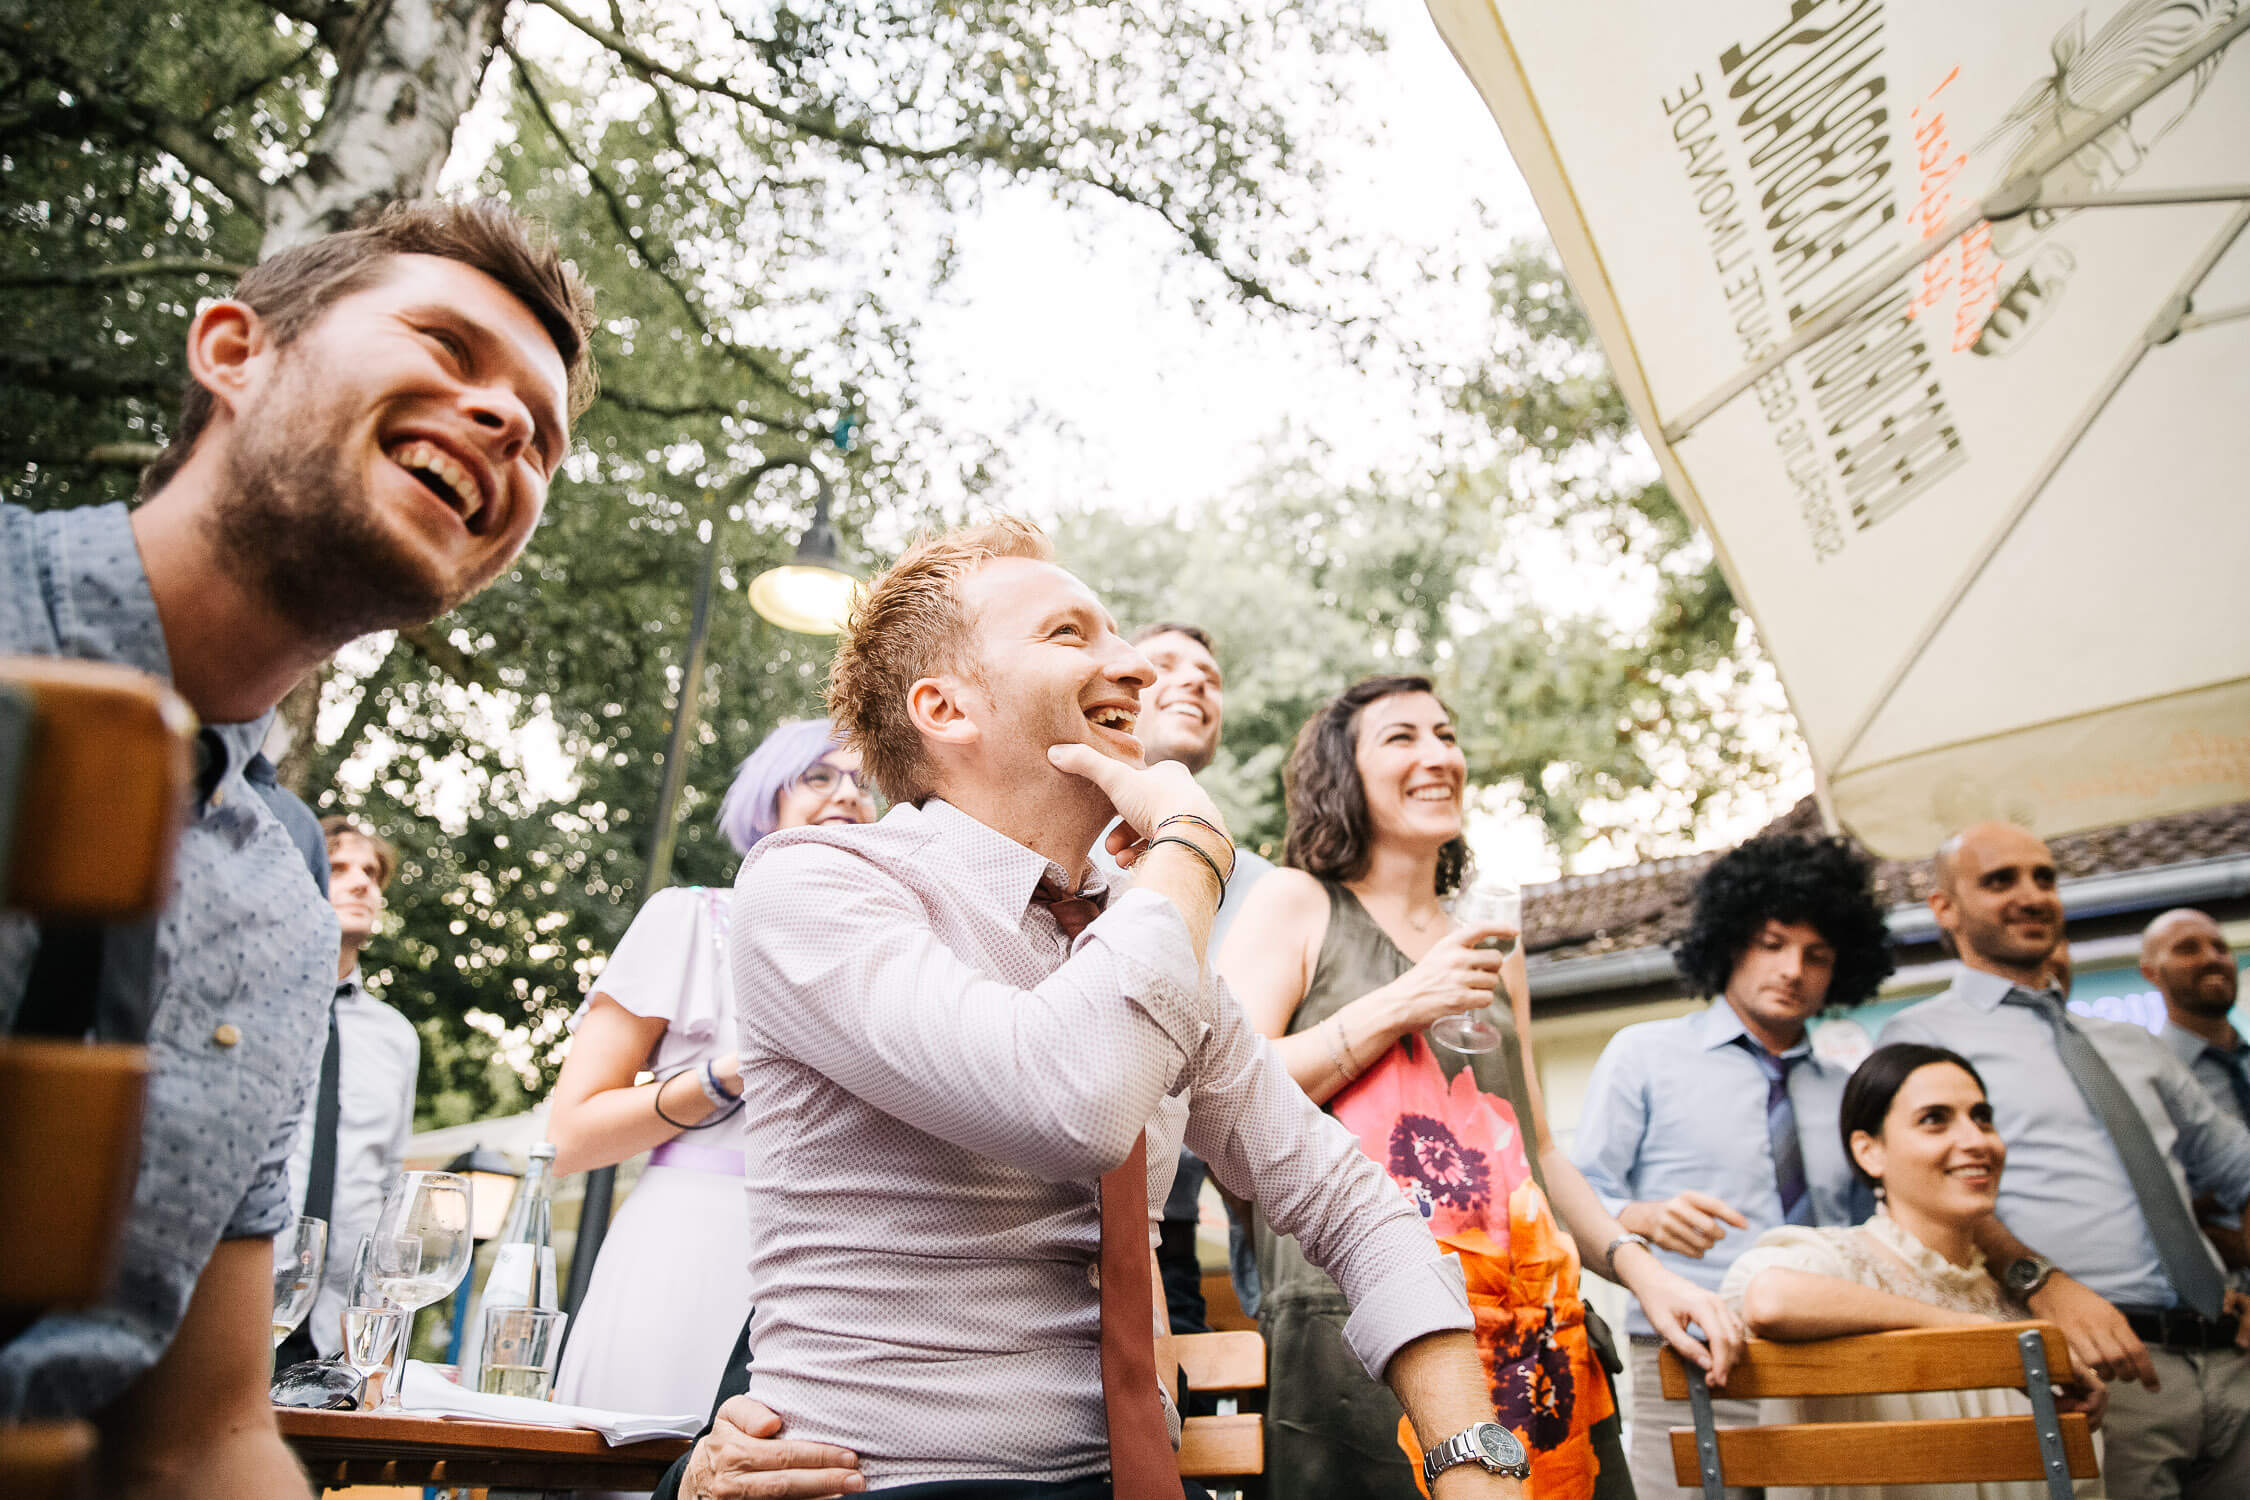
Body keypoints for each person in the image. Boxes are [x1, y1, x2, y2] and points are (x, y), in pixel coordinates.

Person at [727, 518, 1526, 1496]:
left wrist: (1472, 1463)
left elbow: (1351, 1204)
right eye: (1070, 633)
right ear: (945, 707)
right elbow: (1068, 1101)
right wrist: (1188, 847)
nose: (1138, 668)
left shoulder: (1143, 933)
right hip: (889, 1482)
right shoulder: (815, 883)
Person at [0, 198, 594, 1498]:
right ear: (234, 351)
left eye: (543, 438)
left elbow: (204, 1437)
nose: (509, 424)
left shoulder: (284, 914)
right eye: (446, 346)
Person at [1218, 674, 1742, 1500]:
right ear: (1340, 775)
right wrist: (1405, 1001)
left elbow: (1539, 1153)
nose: (1438, 756)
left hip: (1531, 1324)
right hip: (1362, 1330)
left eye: (1447, 735)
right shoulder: (1296, 902)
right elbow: (1226, 1085)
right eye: (1402, 737)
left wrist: (1645, 1274)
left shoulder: (1496, 945)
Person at [1883, 822, 2250, 1500]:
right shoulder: (1921, 1038)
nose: (2031, 895)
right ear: (1945, 908)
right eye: (2001, 881)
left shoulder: (2133, 1042)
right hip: (2094, 1372)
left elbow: (2238, 1170)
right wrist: (2039, 1281)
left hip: (2231, 1361)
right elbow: (1922, 1197)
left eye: (2044, 878)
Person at [547, 720, 876, 1430]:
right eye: (819, 777)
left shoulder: (903, 952)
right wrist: (735, 1073)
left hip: (846, 1269)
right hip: (690, 1245)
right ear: (766, 800)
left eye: (865, 783)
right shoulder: (689, 921)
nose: (849, 795)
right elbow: (568, 1138)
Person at [1574, 832, 1893, 1497]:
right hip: (1688, 1355)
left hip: (1829, 1364)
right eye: (1772, 943)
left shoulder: (1849, 1094)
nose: (1793, 969)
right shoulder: (1644, 1056)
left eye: (1817, 955)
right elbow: (1570, 1197)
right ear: (1729, 941)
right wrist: (1641, 1217)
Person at [1721, 1042, 2106, 1500]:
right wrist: (1976, 1334)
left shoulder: (2016, 1303)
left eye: (1982, 1117)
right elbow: (1770, 1301)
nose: (1976, 1140)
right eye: (1934, 1119)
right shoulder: (1836, 1260)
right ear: (1869, 1152)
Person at [1101, 622, 1275, 1335]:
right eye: (1166, 664)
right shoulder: (1048, 849)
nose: (1198, 680)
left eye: (1212, 676)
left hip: (1173, 1218)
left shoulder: (1261, 888)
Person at [274, 818, 420, 1370]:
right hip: (238, 1301)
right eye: (338, 868)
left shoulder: (396, 1037)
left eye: (372, 873)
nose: (362, 883)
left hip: (343, 1331)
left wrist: (379, 1313)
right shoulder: (254, 1004)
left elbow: (388, 1184)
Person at [2145, 909, 2249, 1277]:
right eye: (2187, 948)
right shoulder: (2146, 1078)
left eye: (2220, 947)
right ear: (2151, 972)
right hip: (2217, 1287)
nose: (2211, 958)